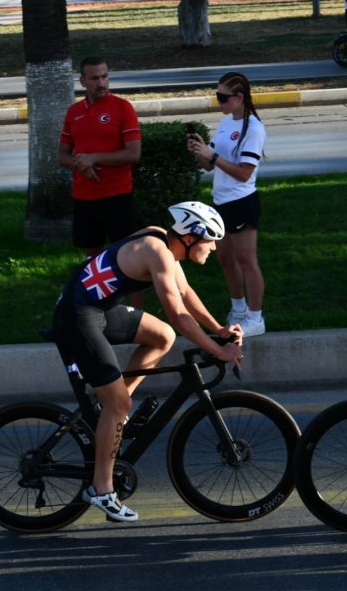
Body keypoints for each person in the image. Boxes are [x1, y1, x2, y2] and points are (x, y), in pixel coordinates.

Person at [52, 201, 243, 522]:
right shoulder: (158, 253)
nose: (213, 248)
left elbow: (185, 294)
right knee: (120, 405)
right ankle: (101, 489)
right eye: (210, 240)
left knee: (162, 337)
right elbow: (180, 316)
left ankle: (111, 407)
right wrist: (218, 348)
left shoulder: (164, 244)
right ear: (191, 238)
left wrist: (219, 330)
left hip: (96, 308)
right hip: (78, 318)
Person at [187, 72, 267, 337]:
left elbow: (244, 172)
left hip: (242, 201)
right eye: (217, 96)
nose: (219, 101)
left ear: (239, 98)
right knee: (225, 259)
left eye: (223, 97)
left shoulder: (253, 128)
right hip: (221, 202)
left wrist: (214, 156)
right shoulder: (225, 123)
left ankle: (256, 318)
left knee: (247, 260)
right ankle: (239, 309)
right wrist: (200, 152)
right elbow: (210, 163)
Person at [58, 56, 142, 257]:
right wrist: (81, 164)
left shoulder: (122, 107)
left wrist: (93, 158)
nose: (101, 83)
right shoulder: (74, 112)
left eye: (105, 77)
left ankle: (129, 290)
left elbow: (133, 153)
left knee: (128, 256)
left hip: (118, 195)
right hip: (84, 197)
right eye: (95, 78)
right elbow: (62, 155)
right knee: (93, 258)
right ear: (83, 81)